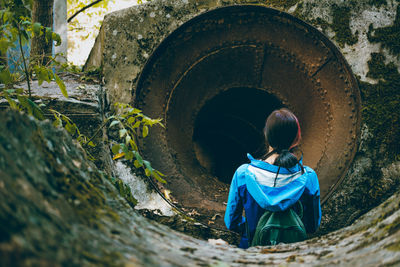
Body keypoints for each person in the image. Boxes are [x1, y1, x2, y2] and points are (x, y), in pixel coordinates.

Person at [224, 108, 321, 249]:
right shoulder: (308, 177)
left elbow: (231, 222)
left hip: (251, 249)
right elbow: (312, 226)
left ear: (266, 135)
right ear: (296, 139)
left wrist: (251, 228)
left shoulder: (244, 174)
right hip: (292, 251)